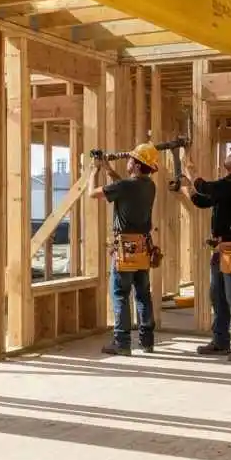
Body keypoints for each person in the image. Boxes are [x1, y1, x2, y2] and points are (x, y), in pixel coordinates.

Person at [181, 142, 231, 363]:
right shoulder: (229, 185)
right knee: (217, 296)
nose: (229, 154)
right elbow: (203, 200)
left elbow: (208, 188)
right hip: (221, 247)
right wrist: (185, 187)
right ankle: (220, 342)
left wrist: (192, 173)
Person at [88, 143, 159, 355]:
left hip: (125, 249)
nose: (127, 161)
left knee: (120, 293)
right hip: (143, 247)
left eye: (131, 159)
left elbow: (93, 193)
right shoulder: (149, 186)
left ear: (137, 166)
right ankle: (147, 341)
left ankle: (122, 342)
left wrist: (95, 170)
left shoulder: (126, 186)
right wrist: (109, 169)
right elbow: (122, 187)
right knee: (143, 294)